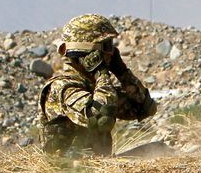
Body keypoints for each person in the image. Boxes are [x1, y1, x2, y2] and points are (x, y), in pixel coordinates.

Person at [38, 14, 157, 156]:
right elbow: (101, 119)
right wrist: (101, 73)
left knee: (160, 150)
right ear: (86, 52)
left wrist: (122, 72)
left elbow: (144, 108)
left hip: (97, 169)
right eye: (107, 46)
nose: (111, 52)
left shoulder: (95, 86)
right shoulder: (63, 87)